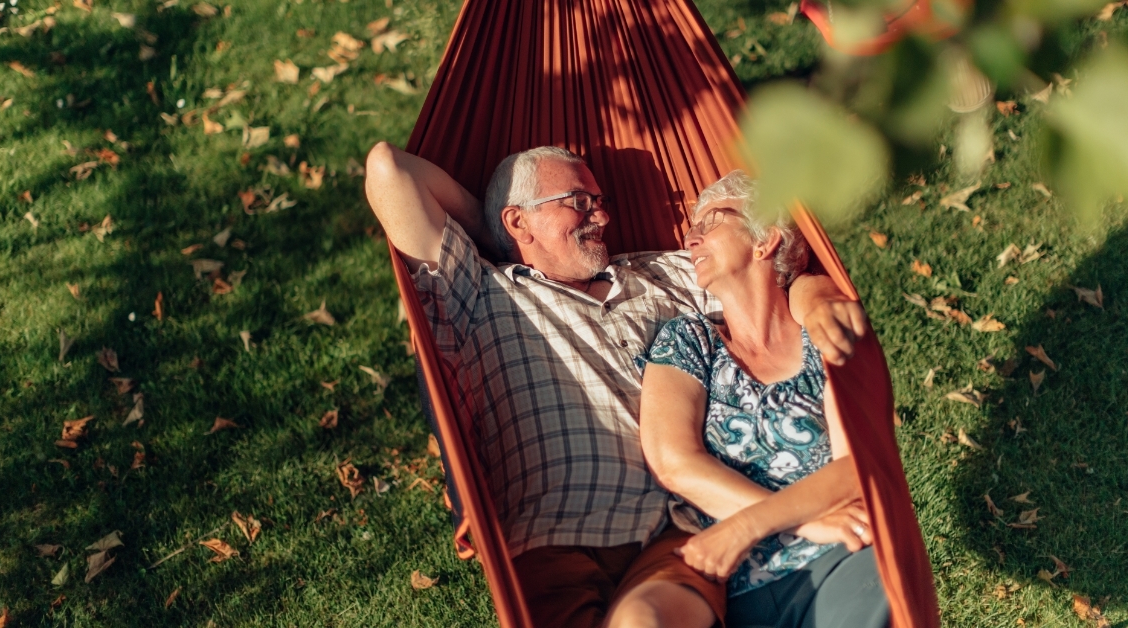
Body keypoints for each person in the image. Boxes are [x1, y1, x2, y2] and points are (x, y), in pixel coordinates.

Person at [364, 143, 869, 628]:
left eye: (601, 203)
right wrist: (497, 231)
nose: (601, 216)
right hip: (551, 542)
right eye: (578, 203)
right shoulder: (477, 292)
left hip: (674, 530)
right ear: (518, 220)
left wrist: (819, 299)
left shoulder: (662, 274)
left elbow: (765, 273)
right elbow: (389, 170)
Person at [607, 171, 889, 628]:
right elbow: (675, 462)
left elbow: (858, 466)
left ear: (765, 241)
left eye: (712, 220)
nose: (690, 237)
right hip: (732, 584)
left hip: (842, 555)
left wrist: (747, 526)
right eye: (691, 226)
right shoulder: (688, 340)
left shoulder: (823, 333)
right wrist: (801, 521)